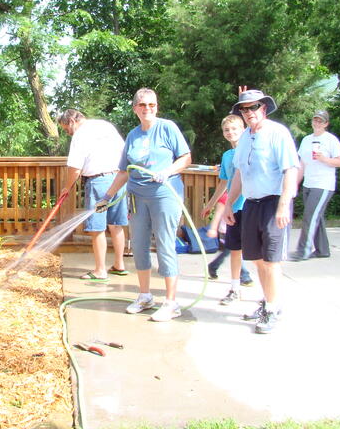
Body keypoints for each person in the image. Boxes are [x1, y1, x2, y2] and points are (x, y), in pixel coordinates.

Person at [96, 88, 192, 321]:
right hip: (137, 197)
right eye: (143, 105)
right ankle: (145, 295)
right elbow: (124, 171)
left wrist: (166, 171)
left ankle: (171, 302)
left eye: (152, 105)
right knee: (138, 245)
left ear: (157, 107)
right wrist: (106, 197)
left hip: (164, 194)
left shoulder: (167, 128)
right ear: (135, 109)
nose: (148, 108)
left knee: (165, 244)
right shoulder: (132, 135)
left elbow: (186, 158)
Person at [224, 88, 299, 334]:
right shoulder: (245, 137)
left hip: (274, 203)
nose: (249, 112)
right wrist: (228, 204)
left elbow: (290, 170)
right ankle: (267, 301)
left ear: (264, 108)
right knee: (257, 259)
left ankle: (273, 308)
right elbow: (238, 174)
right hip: (251, 203)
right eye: (244, 109)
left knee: (271, 261)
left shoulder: (278, 134)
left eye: (254, 107)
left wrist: (283, 205)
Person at [58, 109, 128, 280]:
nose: (67, 133)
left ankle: (100, 270)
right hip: (119, 179)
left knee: (97, 228)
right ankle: (119, 265)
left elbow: (75, 167)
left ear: (72, 121)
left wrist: (67, 187)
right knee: (116, 225)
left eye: (66, 129)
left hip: (99, 183)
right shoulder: (105, 126)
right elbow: (125, 152)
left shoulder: (80, 134)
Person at [200, 114, 253, 303]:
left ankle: (267, 295)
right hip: (233, 209)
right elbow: (224, 182)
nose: (230, 133)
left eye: (234, 129)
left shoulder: (249, 151)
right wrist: (211, 204)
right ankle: (234, 288)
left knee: (257, 252)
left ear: (243, 130)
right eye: (227, 130)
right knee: (234, 249)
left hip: (251, 206)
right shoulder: (227, 155)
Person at [291, 110, 340, 261]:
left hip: (323, 184)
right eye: (315, 120)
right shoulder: (307, 140)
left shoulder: (331, 140)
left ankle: (303, 251)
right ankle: (322, 250)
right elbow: (301, 164)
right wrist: (294, 184)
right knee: (316, 217)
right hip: (309, 183)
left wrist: (324, 159)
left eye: (321, 121)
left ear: (326, 124)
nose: (317, 123)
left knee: (310, 216)